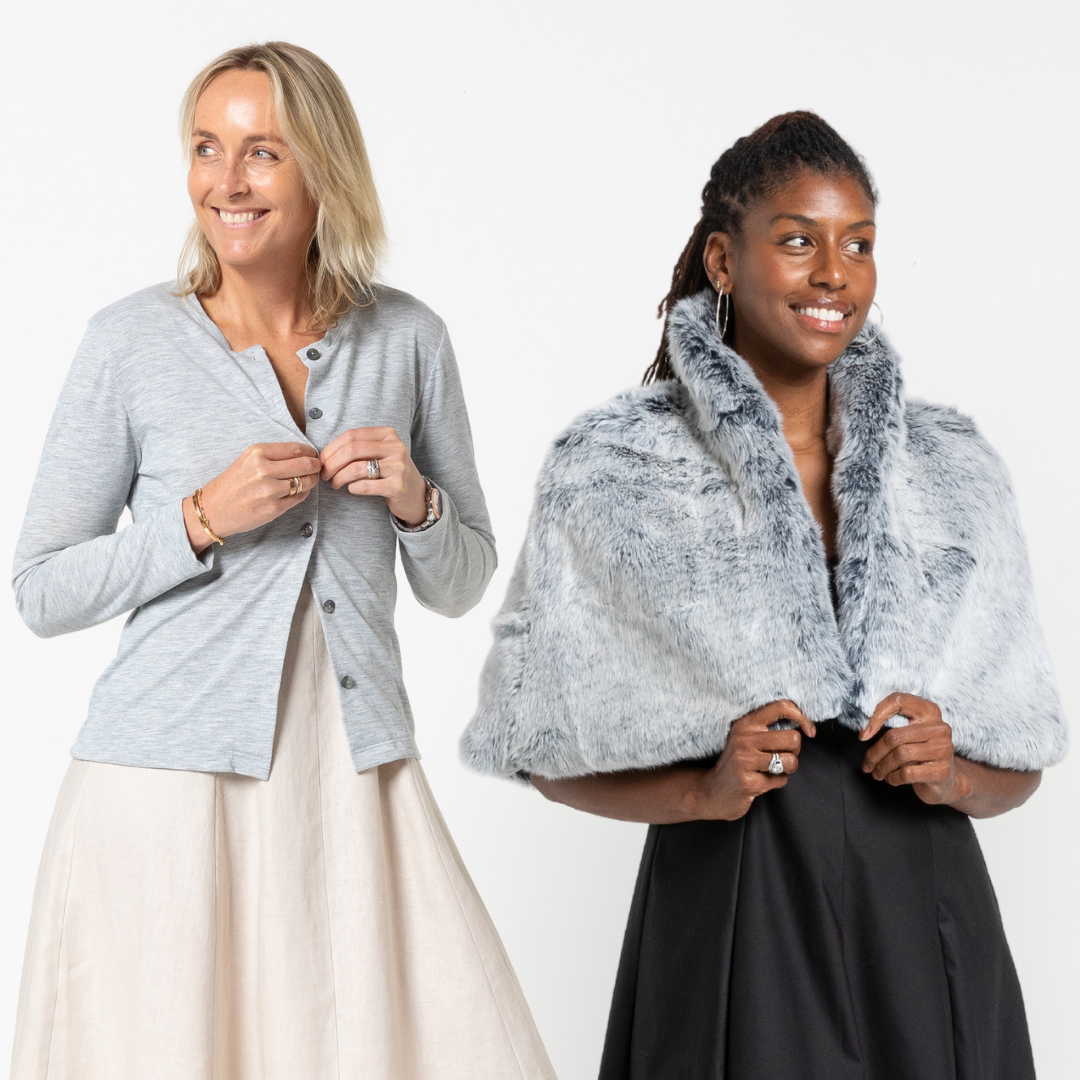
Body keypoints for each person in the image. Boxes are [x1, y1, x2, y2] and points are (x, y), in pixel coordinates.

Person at [461, 111, 1066, 1079]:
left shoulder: (953, 473)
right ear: (723, 259)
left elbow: (1020, 752)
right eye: (797, 240)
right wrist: (704, 789)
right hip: (738, 900)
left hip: (925, 912)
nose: (834, 274)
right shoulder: (618, 470)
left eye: (857, 244)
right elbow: (536, 747)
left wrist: (951, 772)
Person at [10, 41, 555, 1080]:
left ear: (323, 169)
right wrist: (198, 520)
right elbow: (40, 590)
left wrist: (416, 500)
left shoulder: (408, 339)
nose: (227, 181)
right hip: (164, 792)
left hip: (349, 785)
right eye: (206, 148)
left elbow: (461, 582)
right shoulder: (128, 343)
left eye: (262, 151)